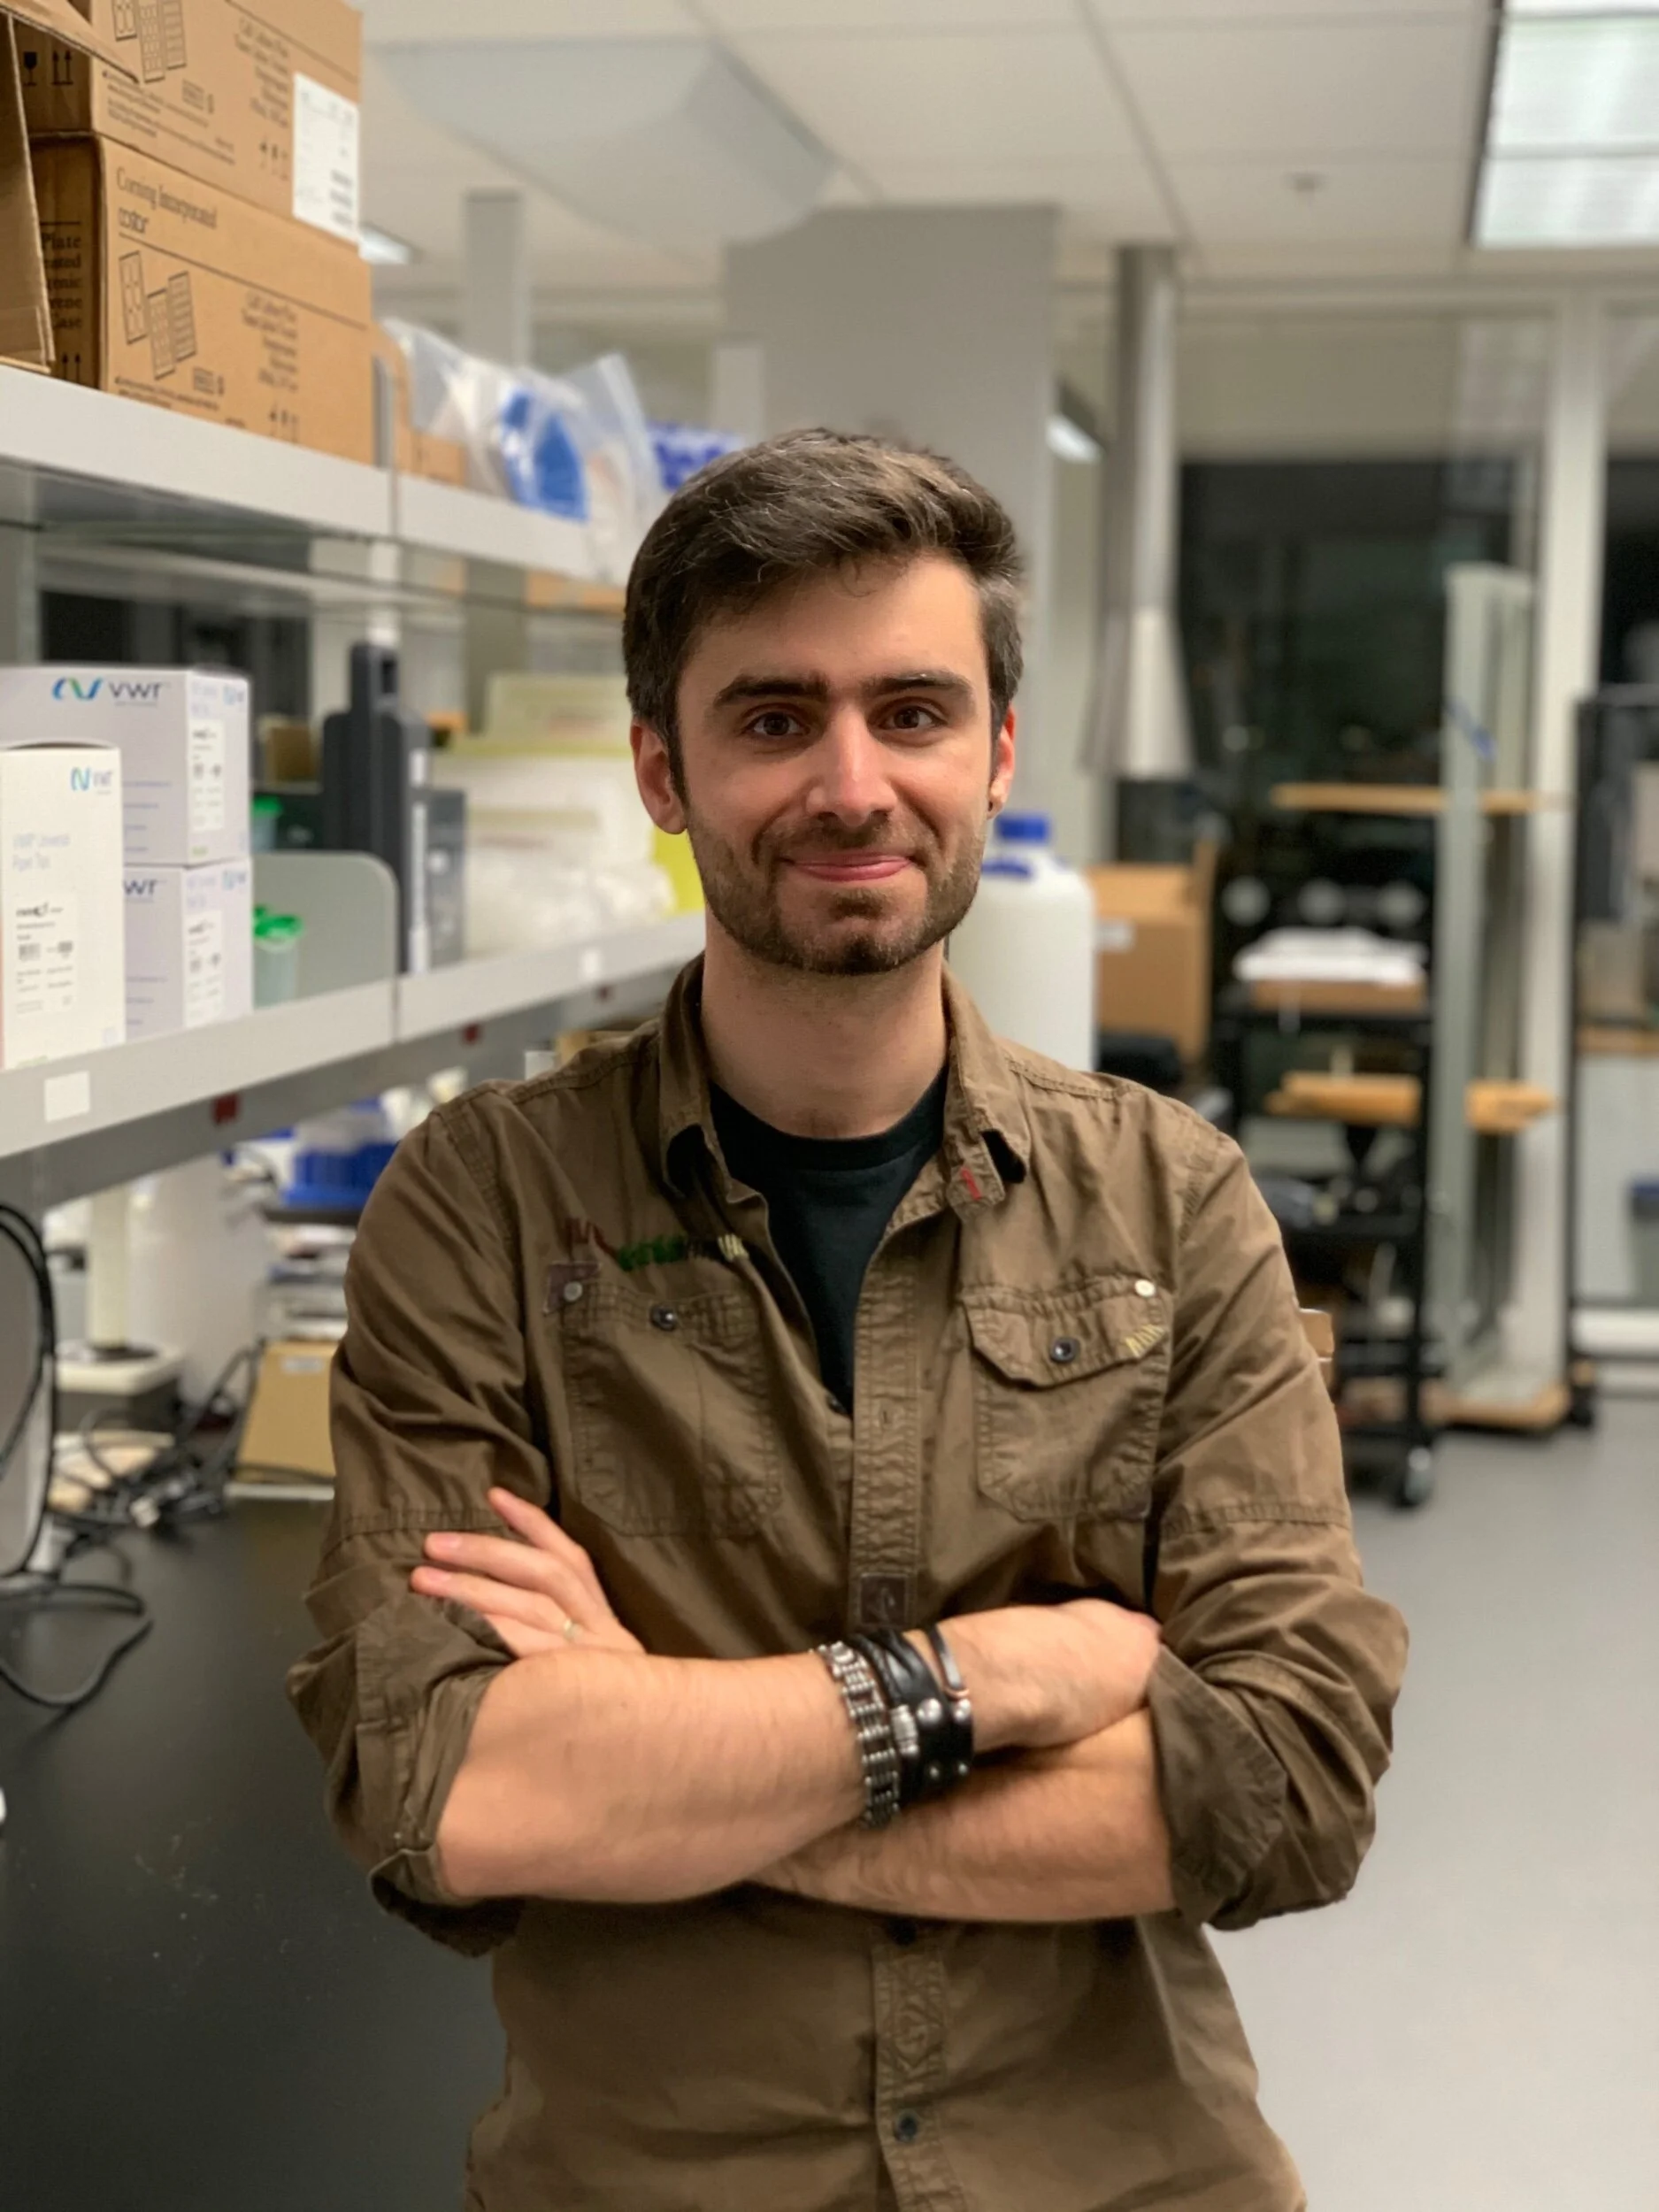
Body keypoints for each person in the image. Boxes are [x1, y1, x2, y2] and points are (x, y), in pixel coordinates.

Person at [288, 429, 1407, 2212]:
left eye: (910, 709)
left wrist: (659, 1745)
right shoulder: (479, 1210)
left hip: (1117, 2169)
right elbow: (452, 1792)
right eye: (770, 717)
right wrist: (1006, 1675)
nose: (851, 781)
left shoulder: (1172, 1201)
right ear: (661, 766)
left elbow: (1282, 1783)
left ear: (995, 750)